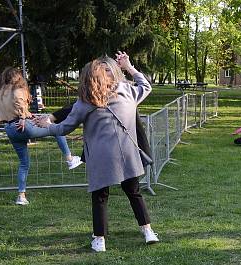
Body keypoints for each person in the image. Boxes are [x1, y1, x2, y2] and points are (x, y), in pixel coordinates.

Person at [42, 52, 158, 252]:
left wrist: (47, 125)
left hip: (100, 156)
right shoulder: (127, 91)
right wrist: (129, 67)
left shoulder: (85, 101)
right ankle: (148, 231)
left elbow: (64, 128)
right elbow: (146, 85)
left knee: (100, 196)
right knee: (133, 192)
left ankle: (100, 240)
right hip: (127, 153)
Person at [0, 67, 82, 206]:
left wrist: (29, 116)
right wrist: (22, 117)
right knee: (55, 128)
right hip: (22, 126)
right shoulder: (17, 89)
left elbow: (14, 109)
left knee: (24, 163)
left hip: (9, 128)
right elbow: (19, 102)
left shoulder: (1, 92)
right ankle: (70, 159)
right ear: (17, 77)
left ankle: (21, 196)